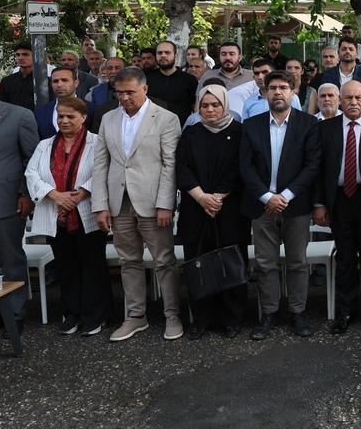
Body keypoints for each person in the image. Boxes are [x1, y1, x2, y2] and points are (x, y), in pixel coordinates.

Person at [91, 67, 183, 342]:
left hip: (154, 202)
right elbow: (100, 164)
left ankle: (172, 315)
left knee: (164, 261)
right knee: (128, 260)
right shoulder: (107, 119)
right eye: (119, 93)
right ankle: (135, 316)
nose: (124, 98)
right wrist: (101, 204)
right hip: (119, 201)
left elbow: (170, 164)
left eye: (130, 92)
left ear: (145, 89)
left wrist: (166, 203)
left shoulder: (166, 119)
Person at [240, 70, 322, 339]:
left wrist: (285, 195)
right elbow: (245, 167)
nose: (277, 92)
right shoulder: (251, 126)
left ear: (293, 92)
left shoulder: (308, 124)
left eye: (283, 87)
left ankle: (298, 313)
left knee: (298, 262)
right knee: (265, 264)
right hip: (262, 206)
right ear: (264, 93)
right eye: (272, 87)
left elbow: (312, 166)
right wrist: (267, 197)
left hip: (295, 206)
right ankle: (268, 314)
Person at [314, 80, 361, 335]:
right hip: (339, 200)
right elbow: (318, 170)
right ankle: (345, 311)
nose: (353, 102)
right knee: (345, 258)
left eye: (358, 98)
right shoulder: (325, 129)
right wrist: (319, 204)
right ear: (339, 100)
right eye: (348, 98)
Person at [175, 86, 249, 339]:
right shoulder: (190, 134)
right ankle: (202, 319)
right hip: (196, 209)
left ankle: (232, 318)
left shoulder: (240, 132)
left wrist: (217, 197)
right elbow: (181, 169)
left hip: (229, 209)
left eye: (215, 104)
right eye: (204, 105)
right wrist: (201, 197)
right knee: (199, 264)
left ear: (225, 105)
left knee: (231, 262)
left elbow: (241, 168)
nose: (209, 110)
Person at [0, 68, 40, 333]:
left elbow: (32, 159)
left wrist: (26, 193)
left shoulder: (19, 115)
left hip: (5, 202)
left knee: (11, 260)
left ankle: (15, 314)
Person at [145, 41, 199, 125]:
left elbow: (196, 109)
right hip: (152, 129)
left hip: (181, 130)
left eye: (167, 52)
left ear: (175, 56)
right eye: (159, 53)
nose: (163, 55)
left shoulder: (189, 80)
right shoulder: (148, 79)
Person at [35, 66, 92, 140]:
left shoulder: (91, 109)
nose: (59, 85)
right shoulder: (40, 112)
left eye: (64, 80)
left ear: (76, 83)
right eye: (55, 81)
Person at [321, 37, 361, 105]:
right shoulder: (328, 74)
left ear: (356, 53)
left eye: (351, 49)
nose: (347, 51)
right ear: (338, 52)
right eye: (344, 49)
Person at [0, 42, 36, 110]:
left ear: (35, 56)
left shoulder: (43, 82)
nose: (20, 58)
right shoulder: (7, 81)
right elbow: (0, 105)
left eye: (25, 54)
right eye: (18, 55)